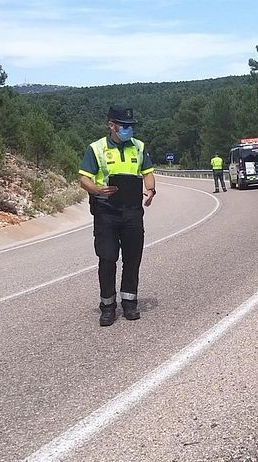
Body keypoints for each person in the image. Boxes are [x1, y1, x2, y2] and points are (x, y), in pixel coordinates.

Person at [77, 105, 156, 326]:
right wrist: (97, 190)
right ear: (111, 125)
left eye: (131, 126)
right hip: (106, 211)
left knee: (132, 258)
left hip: (132, 211)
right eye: (124, 126)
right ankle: (108, 306)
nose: (128, 129)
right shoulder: (96, 148)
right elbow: (84, 178)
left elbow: (148, 173)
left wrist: (150, 190)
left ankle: (129, 302)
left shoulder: (139, 147)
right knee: (107, 258)